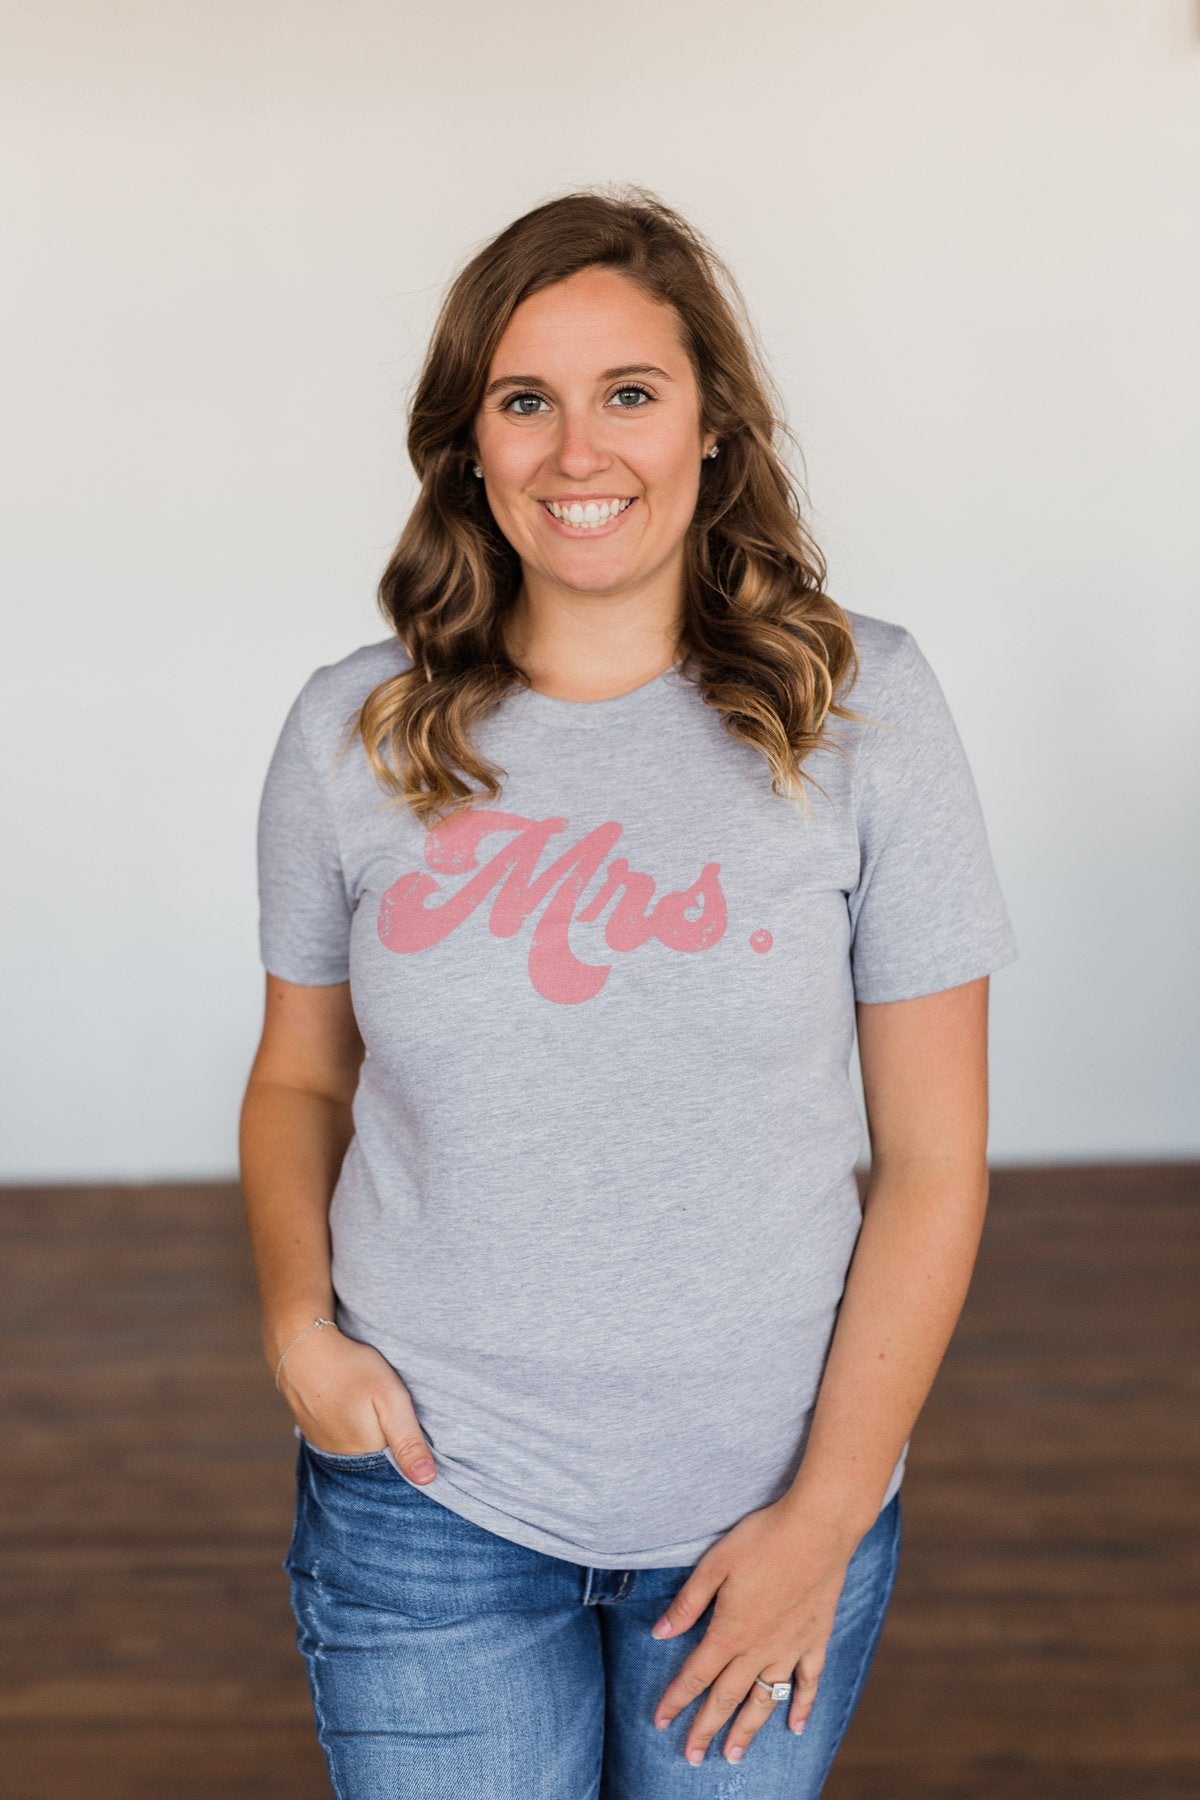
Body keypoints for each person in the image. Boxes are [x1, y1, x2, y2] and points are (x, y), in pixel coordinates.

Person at [239, 185, 1019, 1798]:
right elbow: (301, 1076)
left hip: (763, 1510)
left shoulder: (863, 710)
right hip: (428, 1504)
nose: (576, 451)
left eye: (631, 394)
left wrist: (826, 1515)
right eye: (525, 401)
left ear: (713, 428)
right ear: (469, 443)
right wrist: (300, 1330)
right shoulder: (351, 735)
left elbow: (937, 1160)